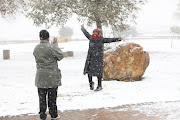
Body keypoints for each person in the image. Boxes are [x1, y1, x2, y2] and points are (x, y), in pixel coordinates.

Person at [81, 24, 123, 91]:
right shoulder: (91, 38)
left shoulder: (101, 39)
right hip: (91, 58)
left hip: (98, 58)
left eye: (96, 33)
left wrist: (118, 39)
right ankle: (91, 83)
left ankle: (99, 86)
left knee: (98, 73)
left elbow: (110, 40)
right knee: (89, 72)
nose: (94, 34)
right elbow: (86, 33)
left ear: (98, 33)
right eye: (93, 32)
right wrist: (82, 28)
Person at [33, 30, 64, 120]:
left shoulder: (36, 48)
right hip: (52, 76)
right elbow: (61, 56)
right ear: (48, 37)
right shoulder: (51, 47)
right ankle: (53, 114)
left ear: (40, 37)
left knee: (42, 96)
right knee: (52, 97)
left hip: (41, 75)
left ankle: (42, 114)